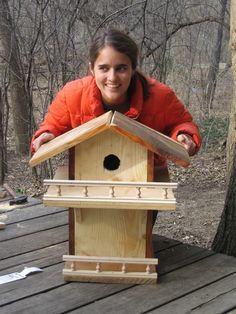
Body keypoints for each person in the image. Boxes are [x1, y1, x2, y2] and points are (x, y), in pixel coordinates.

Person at [31, 28, 201, 170]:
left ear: (133, 68)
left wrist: (184, 135)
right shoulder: (72, 95)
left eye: (121, 68)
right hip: (89, 177)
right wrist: (47, 136)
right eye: (103, 68)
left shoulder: (160, 96)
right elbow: (52, 126)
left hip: (146, 181)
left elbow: (182, 123)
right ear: (92, 68)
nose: (112, 77)